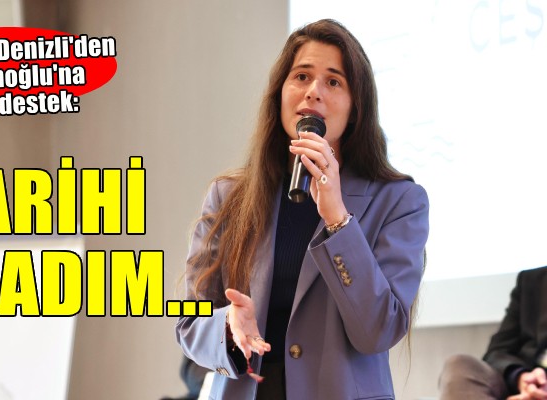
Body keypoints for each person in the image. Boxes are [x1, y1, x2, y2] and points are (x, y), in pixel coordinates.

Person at [175, 19, 429, 400]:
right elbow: (188, 322)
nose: (313, 92)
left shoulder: (399, 201)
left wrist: (338, 220)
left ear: (355, 108)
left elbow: (378, 330)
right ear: (280, 93)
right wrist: (227, 328)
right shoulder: (228, 196)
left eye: (333, 81)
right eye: (301, 76)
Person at [438, 266, 547, 400]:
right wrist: (520, 376)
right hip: (522, 384)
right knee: (460, 365)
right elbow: (497, 352)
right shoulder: (531, 280)